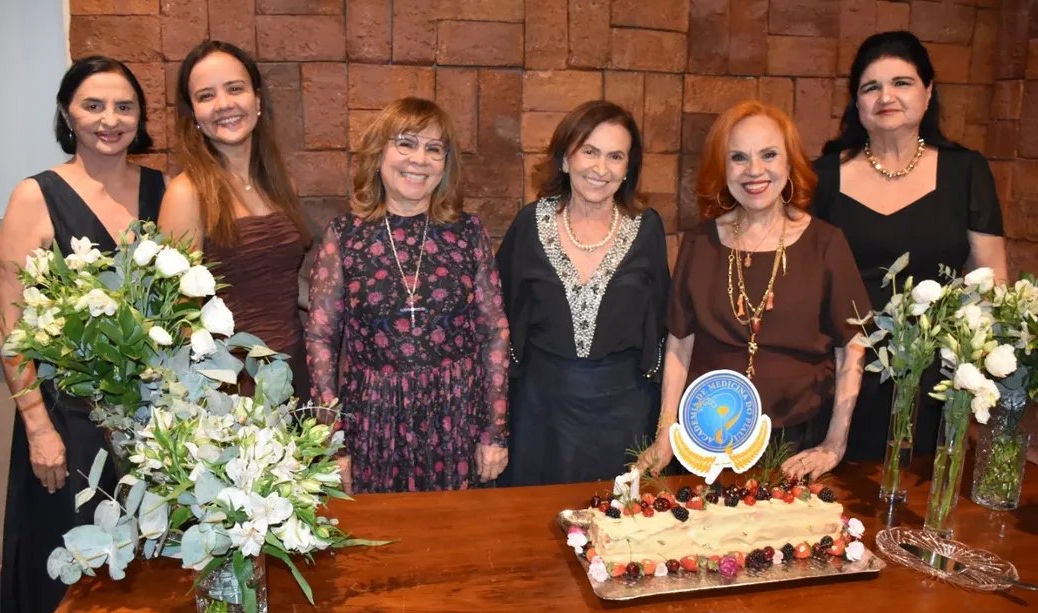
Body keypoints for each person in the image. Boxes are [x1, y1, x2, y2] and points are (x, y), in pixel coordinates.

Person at [0, 56, 167, 613]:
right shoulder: (34, 196)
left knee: (149, 571)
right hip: (67, 421)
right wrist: (37, 427)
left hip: (150, 419)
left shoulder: (163, 191)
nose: (109, 120)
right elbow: (10, 324)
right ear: (68, 114)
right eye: (93, 106)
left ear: (140, 117)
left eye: (124, 107)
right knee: (70, 569)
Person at [639, 101, 870, 482]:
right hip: (703, 445)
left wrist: (834, 443)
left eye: (768, 154)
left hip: (795, 445)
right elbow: (680, 344)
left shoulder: (826, 243)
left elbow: (852, 347)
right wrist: (665, 435)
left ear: (790, 162)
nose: (754, 170)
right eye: (739, 157)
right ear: (723, 168)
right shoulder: (699, 243)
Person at [813, 31, 1007, 461]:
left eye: (901, 82)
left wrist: (974, 377)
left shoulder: (966, 172)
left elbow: (990, 288)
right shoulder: (821, 177)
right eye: (871, 86)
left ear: (928, 91)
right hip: (837, 375)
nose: (886, 96)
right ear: (856, 102)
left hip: (934, 381)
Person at [306, 97, 509, 493]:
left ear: (445, 164)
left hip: (456, 419)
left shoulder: (468, 233)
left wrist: (495, 431)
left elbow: (495, 334)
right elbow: (320, 339)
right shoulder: (345, 235)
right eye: (405, 143)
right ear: (378, 153)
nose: (419, 159)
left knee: (456, 527)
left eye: (434, 149)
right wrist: (331, 440)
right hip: (372, 422)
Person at [497, 101, 670, 486]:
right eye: (589, 151)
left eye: (615, 156)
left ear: (628, 168)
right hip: (540, 416)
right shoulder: (529, 225)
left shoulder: (647, 229)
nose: (601, 168)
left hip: (626, 418)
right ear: (564, 158)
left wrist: (664, 427)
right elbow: (498, 323)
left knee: (622, 521)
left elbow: (663, 328)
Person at [159, 40, 313, 402]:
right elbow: (177, 314)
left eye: (234, 88)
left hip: (293, 369)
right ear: (193, 114)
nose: (223, 104)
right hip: (232, 387)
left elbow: (279, 279)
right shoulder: (186, 193)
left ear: (257, 100)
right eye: (206, 95)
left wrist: (347, 302)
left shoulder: (280, 183)